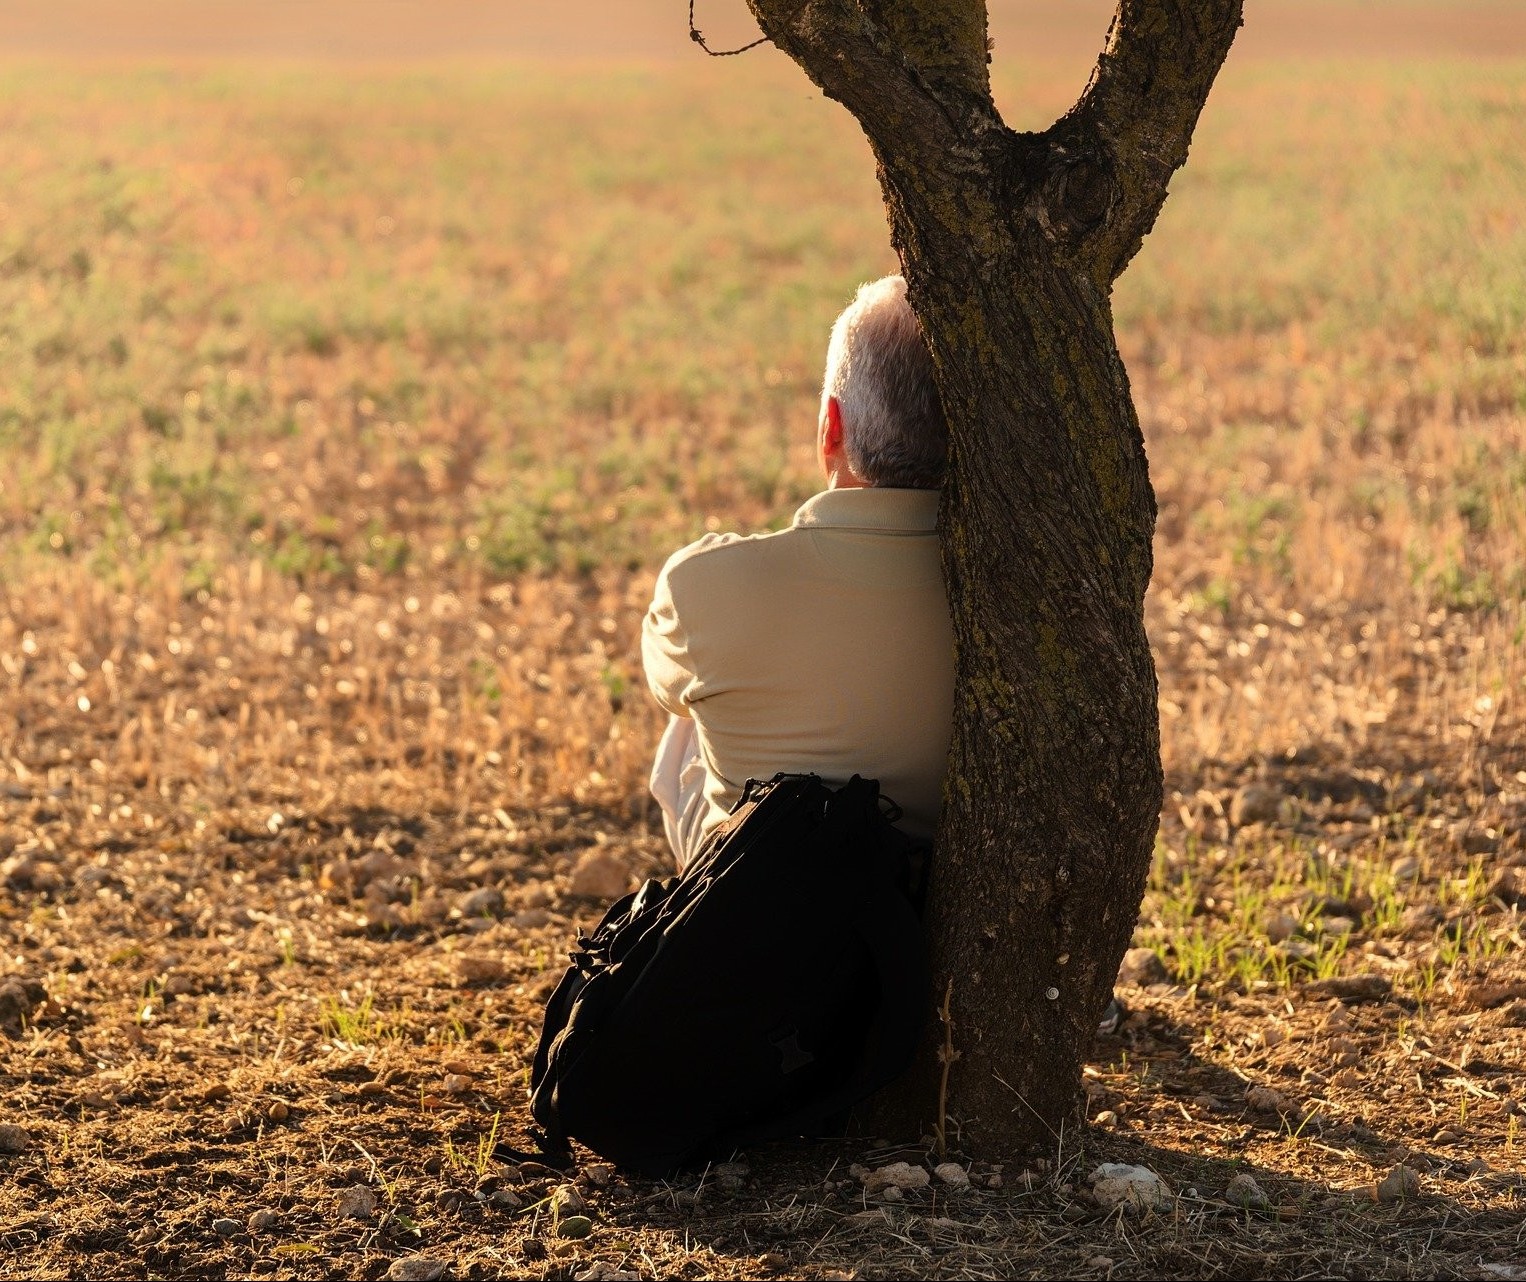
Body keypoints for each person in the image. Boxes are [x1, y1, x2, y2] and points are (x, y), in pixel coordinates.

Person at [642, 275, 952, 870]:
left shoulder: (703, 586)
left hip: (760, 913)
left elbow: (662, 683)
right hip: (927, 909)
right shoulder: (1018, 599)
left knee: (689, 716)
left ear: (831, 426)